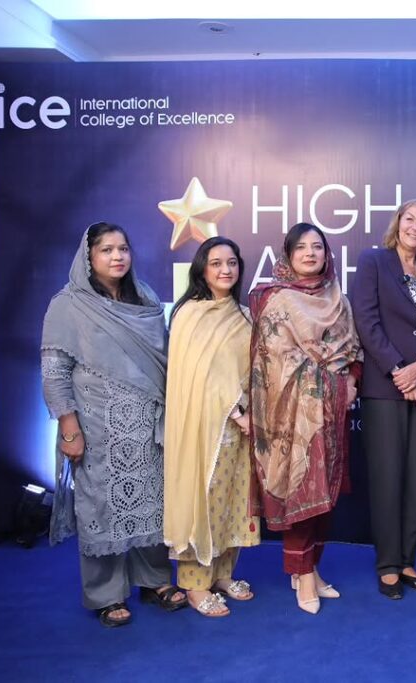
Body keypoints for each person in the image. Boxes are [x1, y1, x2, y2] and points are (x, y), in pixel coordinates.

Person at [41, 222, 186, 628]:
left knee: (153, 502)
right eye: (106, 249)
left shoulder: (146, 299)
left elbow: (162, 359)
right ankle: (106, 594)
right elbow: (54, 371)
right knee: (101, 506)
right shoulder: (68, 305)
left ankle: (154, 581)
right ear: (88, 257)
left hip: (147, 422)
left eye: (123, 248)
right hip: (97, 426)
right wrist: (69, 428)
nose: (117, 256)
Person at [249, 223, 362, 615]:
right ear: (288, 256)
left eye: (317, 247)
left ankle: (311, 568)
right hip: (293, 416)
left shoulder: (338, 298)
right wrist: (331, 376)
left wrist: (350, 380)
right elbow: (273, 360)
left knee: (324, 494)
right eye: (301, 248)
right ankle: (300, 574)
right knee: (301, 489)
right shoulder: (277, 300)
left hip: (331, 413)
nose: (310, 254)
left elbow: (353, 351)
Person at [351, 198, 416, 600]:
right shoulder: (373, 261)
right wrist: (400, 371)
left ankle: (408, 560)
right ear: (398, 222)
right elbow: (366, 321)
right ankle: (388, 564)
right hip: (384, 388)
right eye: (410, 219)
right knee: (387, 477)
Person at [163, 237, 260, 618]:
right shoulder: (190, 314)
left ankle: (222, 574)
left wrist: (250, 414)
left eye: (232, 262)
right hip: (204, 428)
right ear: (202, 269)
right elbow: (202, 376)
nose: (225, 270)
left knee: (234, 499)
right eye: (216, 263)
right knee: (202, 498)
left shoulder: (243, 315)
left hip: (242, 427)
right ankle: (194, 584)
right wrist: (237, 413)